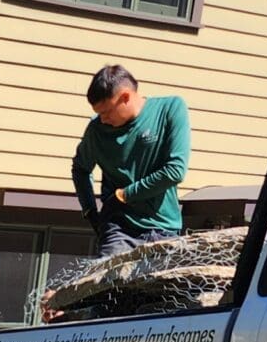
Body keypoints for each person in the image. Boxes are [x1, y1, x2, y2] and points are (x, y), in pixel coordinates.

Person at [74, 64, 190, 259]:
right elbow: (80, 169)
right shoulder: (97, 130)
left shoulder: (170, 109)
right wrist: (90, 211)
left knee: (157, 289)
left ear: (125, 97)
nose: (102, 119)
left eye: (107, 112)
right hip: (120, 228)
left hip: (164, 227)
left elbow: (175, 171)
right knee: (106, 284)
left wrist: (125, 195)